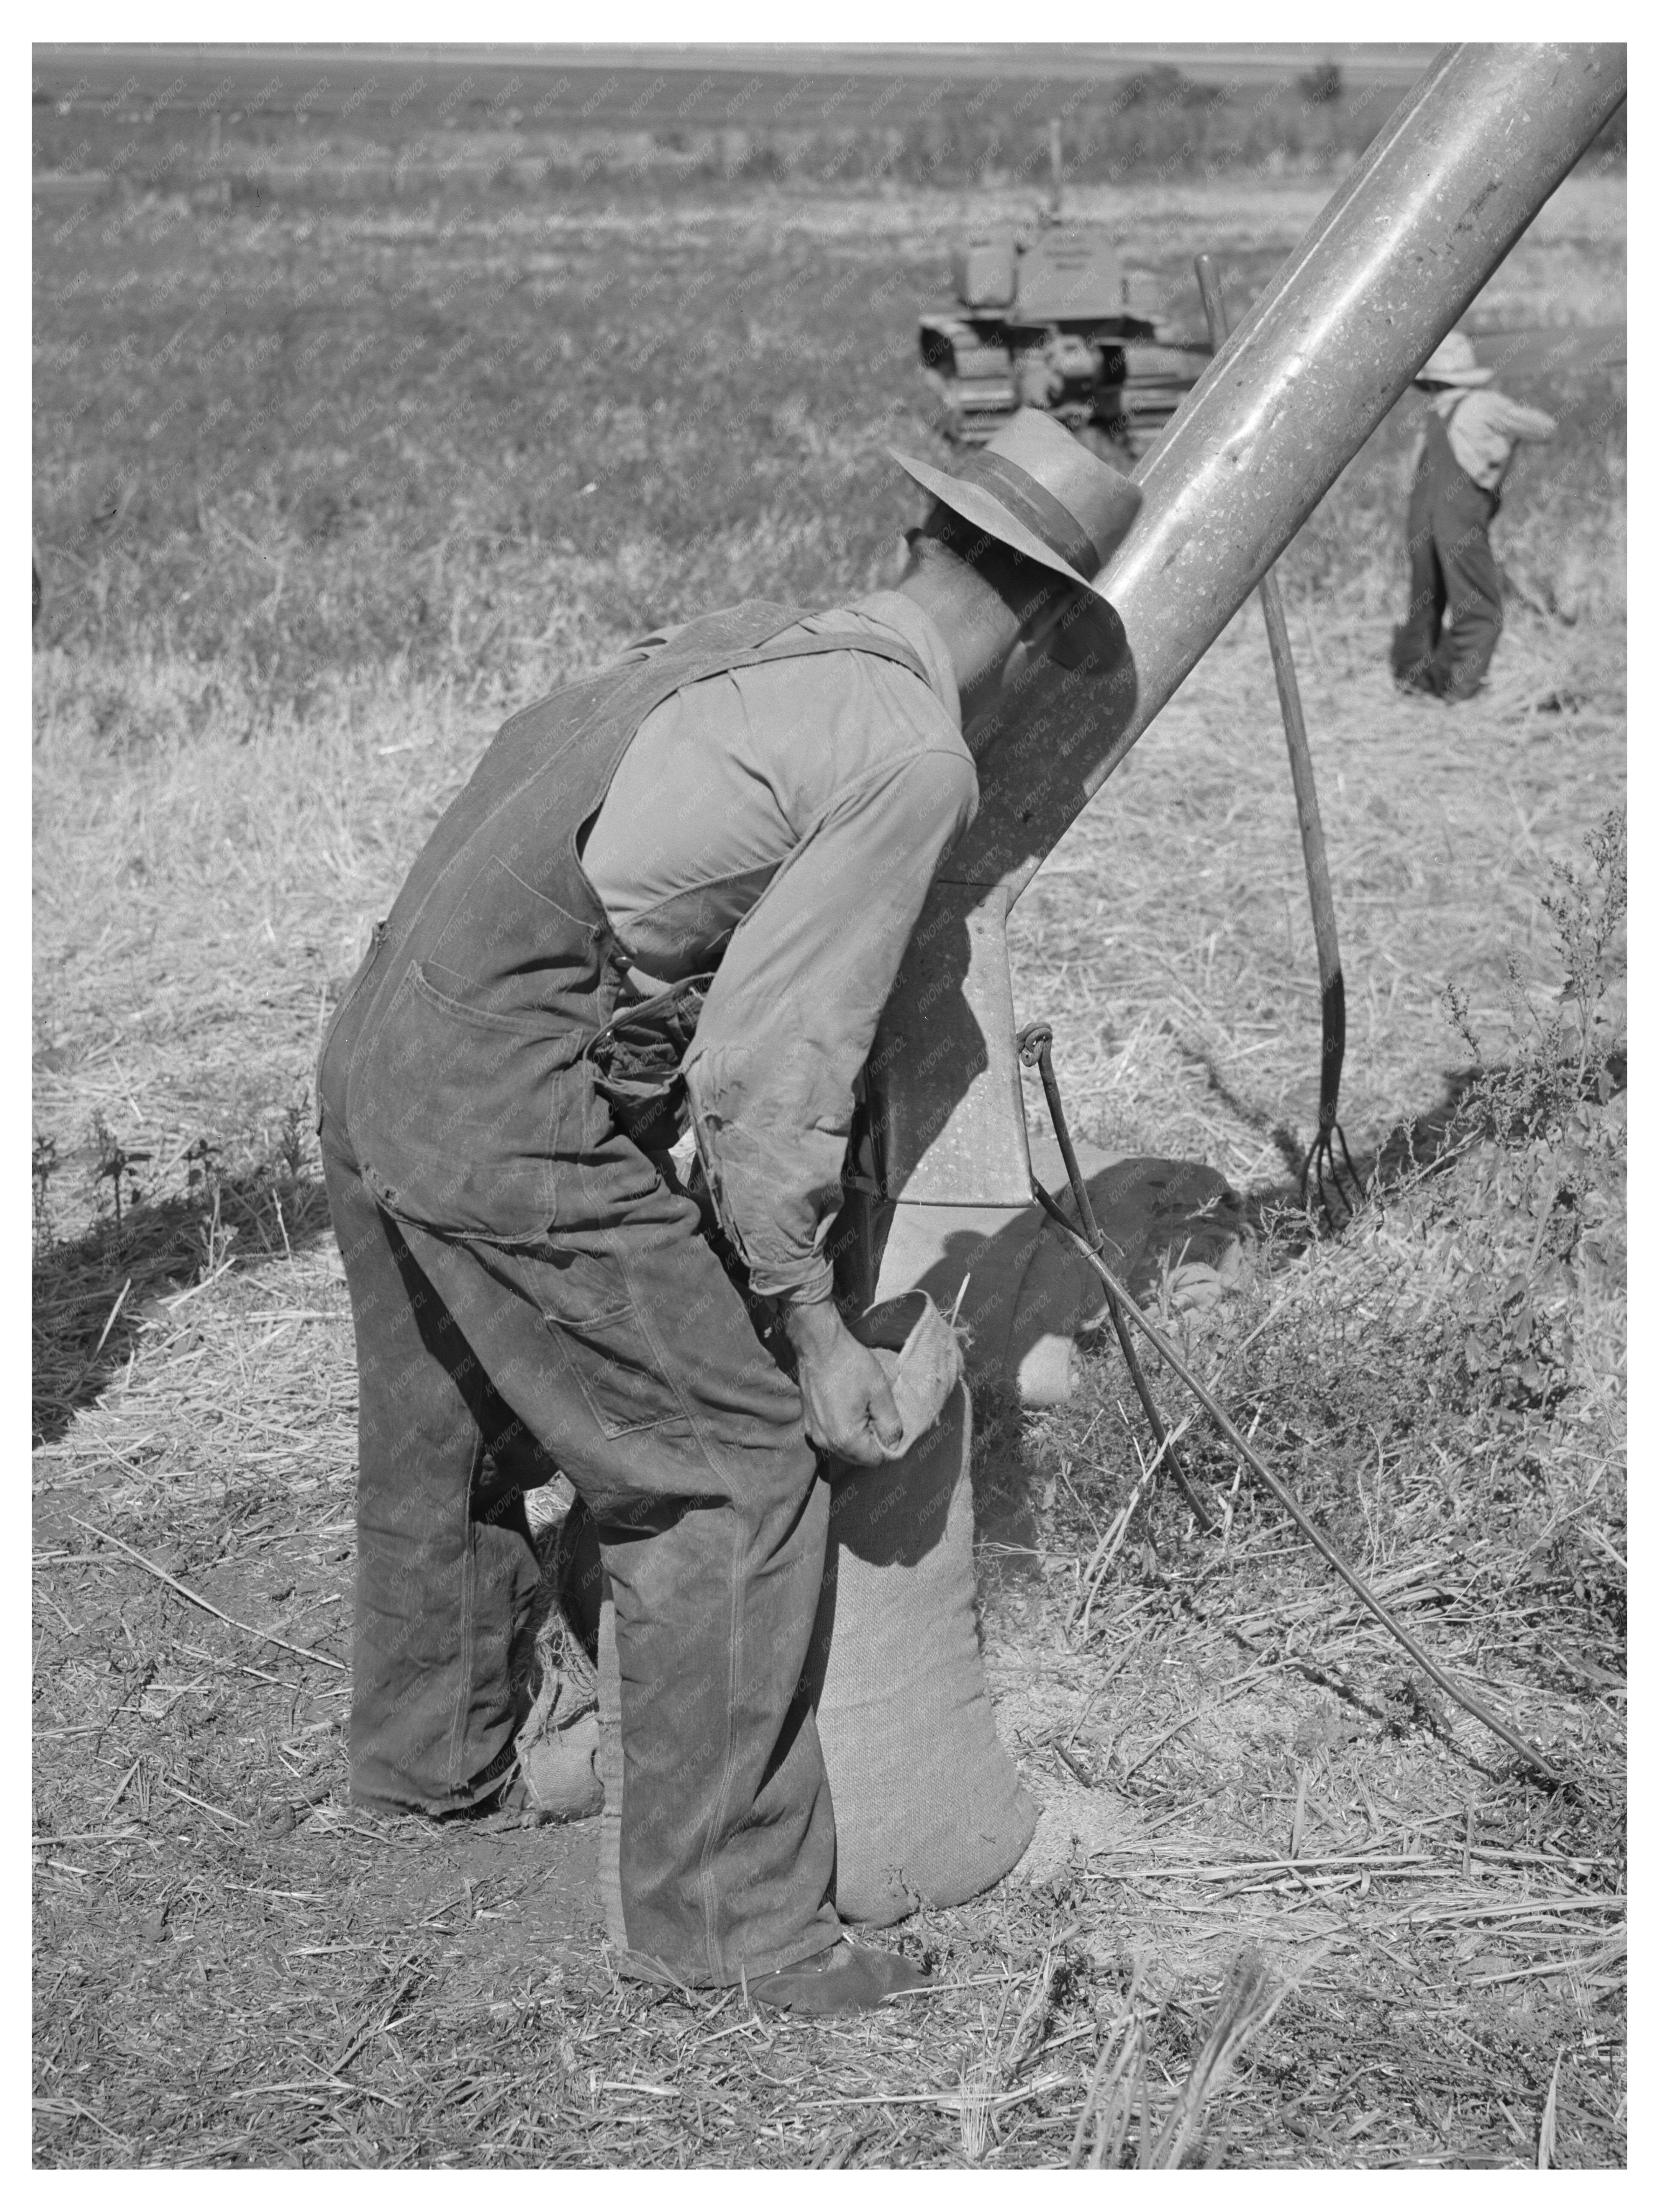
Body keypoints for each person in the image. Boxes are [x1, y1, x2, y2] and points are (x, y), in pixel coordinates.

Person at [316, 410, 1140, 2014]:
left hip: (384, 1027)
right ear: (1039, 626)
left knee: (457, 1422)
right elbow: (776, 1067)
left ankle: (431, 1768)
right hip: (506, 1086)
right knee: (726, 1472)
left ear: (918, 536)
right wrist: (808, 1327)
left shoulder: (739, 644)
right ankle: (727, 1929)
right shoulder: (910, 753)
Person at [1390, 331, 1557, 701]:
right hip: (1459, 521)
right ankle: (1461, 692)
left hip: (1419, 521)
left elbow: (1409, 475)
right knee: (1480, 608)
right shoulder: (1485, 404)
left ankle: (1415, 685)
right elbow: (1546, 427)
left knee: (1425, 602)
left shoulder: (1431, 415)